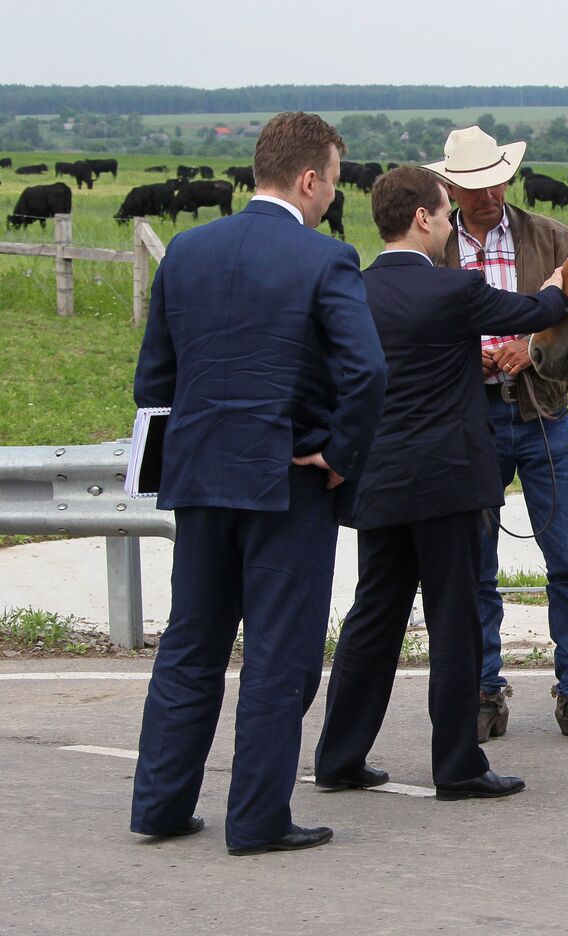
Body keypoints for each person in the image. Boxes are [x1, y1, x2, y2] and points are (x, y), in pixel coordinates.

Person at [129, 111, 387, 856]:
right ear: (310, 179)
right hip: (287, 481)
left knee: (192, 643)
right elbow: (367, 371)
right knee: (281, 654)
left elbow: (154, 378)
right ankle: (257, 818)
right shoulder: (325, 260)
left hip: (201, 474)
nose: (333, 198)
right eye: (333, 183)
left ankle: (161, 804)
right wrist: (339, 453)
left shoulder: (187, 250)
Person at [313, 167, 568, 800]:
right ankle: (456, 765)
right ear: (424, 218)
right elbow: (538, 309)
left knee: (373, 617)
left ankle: (339, 756)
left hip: (380, 480)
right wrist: (565, 278)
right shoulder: (455, 291)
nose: (452, 224)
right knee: (454, 621)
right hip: (450, 482)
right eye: (445, 215)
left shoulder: (356, 291)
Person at [428, 126, 568, 744]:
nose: (487, 194)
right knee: (474, 563)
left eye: (495, 181)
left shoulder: (552, 238)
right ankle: (483, 690)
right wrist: (464, 358)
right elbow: (417, 325)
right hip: (468, 418)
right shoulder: (434, 247)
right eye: (474, 185)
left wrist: (531, 350)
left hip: (542, 414)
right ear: (452, 186)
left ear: (508, 177)